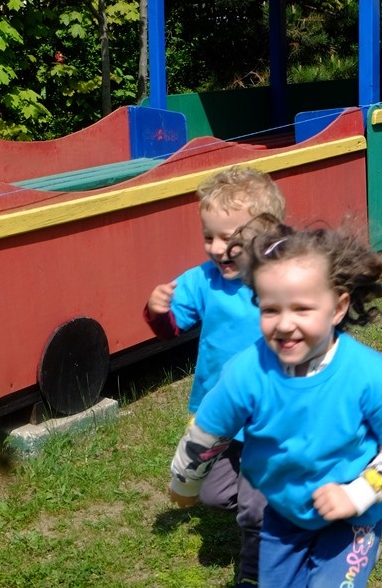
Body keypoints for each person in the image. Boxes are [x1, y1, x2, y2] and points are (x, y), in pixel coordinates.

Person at [168, 224, 382, 588]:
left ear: (338, 308)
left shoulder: (370, 374)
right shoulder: (246, 373)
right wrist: (185, 482)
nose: (285, 325)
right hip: (282, 512)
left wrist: (358, 493)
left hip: (352, 518)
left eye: (302, 308)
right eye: (271, 309)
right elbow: (208, 433)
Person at [145, 166, 285, 586]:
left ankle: (256, 570)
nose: (218, 248)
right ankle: (283, 509)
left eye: (230, 238)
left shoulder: (282, 278)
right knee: (213, 493)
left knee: (255, 511)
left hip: (271, 414)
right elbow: (173, 327)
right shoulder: (203, 281)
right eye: (209, 237)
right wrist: (157, 312)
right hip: (220, 414)